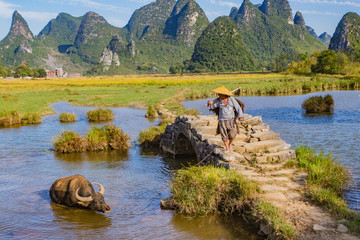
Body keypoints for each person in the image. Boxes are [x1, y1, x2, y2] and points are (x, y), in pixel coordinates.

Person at [207, 86, 244, 153]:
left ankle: (230, 144)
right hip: (222, 120)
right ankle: (227, 148)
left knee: (232, 134)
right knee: (224, 135)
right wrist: (209, 104)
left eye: (220, 94)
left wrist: (240, 116)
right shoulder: (218, 101)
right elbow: (212, 106)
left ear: (224, 94)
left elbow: (238, 107)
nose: (218, 95)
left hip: (231, 120)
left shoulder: (231, 99)